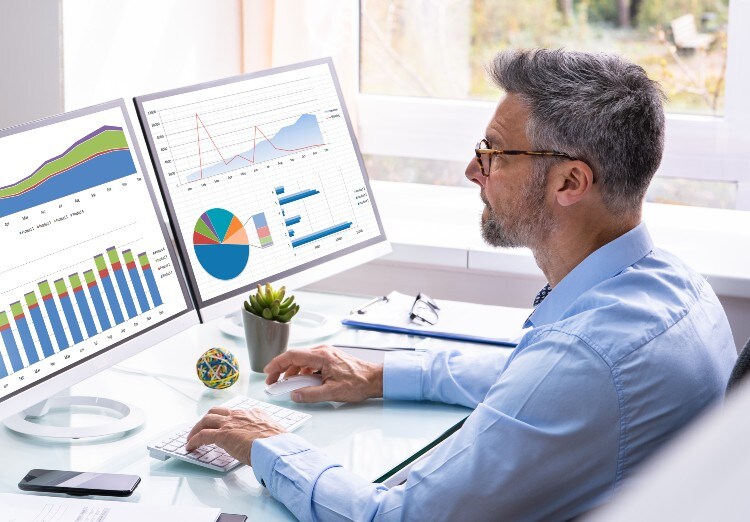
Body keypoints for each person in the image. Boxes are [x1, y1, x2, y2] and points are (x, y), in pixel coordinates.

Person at [186, 49, 736, 521]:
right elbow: (538, 381)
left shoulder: (588, 357)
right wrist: (383, 374)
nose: (473, 171)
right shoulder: (675, 288)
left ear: (571, 181)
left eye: (494, 152)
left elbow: (394, 517)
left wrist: (272, 444)